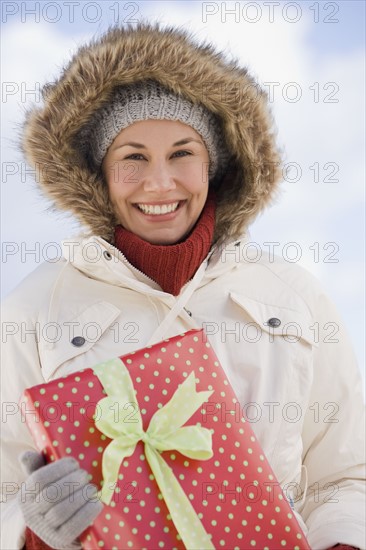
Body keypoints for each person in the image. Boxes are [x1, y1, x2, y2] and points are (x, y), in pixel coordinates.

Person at [1, 22, 364, 550]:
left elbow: (347, 476)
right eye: (133, 157)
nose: (160, 182)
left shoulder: (295, 297)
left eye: (181, 152)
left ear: (213, 164)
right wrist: (32, 532)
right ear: (98, 172)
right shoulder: (34, 308)